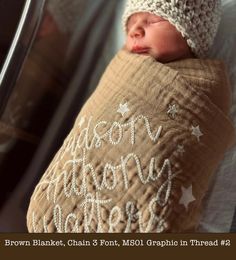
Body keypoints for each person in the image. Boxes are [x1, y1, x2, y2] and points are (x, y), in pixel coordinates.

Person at [26, 0, 235, 233]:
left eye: (153, 20)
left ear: (190, 33)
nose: (136, 30)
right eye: (130, 24)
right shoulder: (123, 69)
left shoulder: (206, 84)